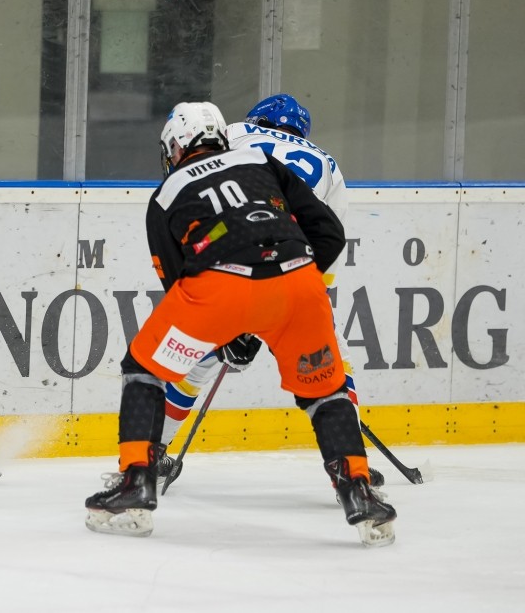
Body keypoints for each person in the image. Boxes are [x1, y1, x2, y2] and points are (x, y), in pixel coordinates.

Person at [84, 102, 396, 547]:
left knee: (144, 367)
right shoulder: (265, 162)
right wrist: (296, 275)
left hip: (219, 287)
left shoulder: (169, 191)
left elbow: (176, 281)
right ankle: (359, 491)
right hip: (300, 283)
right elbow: (329, 233)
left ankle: (137, 481)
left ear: (176, 145)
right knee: (326, 390)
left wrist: (226, 326)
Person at [158, 93, 384, 489]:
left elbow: (202, 188)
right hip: (295, 268)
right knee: (331, 365)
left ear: (257, 120)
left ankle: (151, 451)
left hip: (232, 261)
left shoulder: (233, 133)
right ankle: (351, 467)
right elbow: (330, 237)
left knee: (197, 356)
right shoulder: (328, 164)